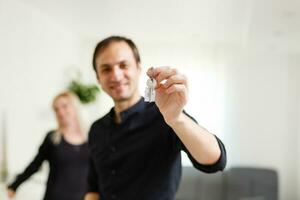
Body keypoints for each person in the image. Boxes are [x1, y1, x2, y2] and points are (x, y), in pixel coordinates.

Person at [85, 36, 227, 200]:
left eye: (123, 65)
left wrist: (177, 119)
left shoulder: (165, 114)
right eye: (106, 69)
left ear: (138, 68)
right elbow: (93, 187)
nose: (116, 76)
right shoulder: (96, 129)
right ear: (98, 78)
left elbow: (215, 160)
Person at [7, 91, 89, 200]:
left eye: (65, 106)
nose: (60, 112)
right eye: (56, 109)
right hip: (55, 196)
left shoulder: (92, 136)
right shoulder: (52, 138)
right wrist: (14, 186)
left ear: (75, 107)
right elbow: (35, 165)